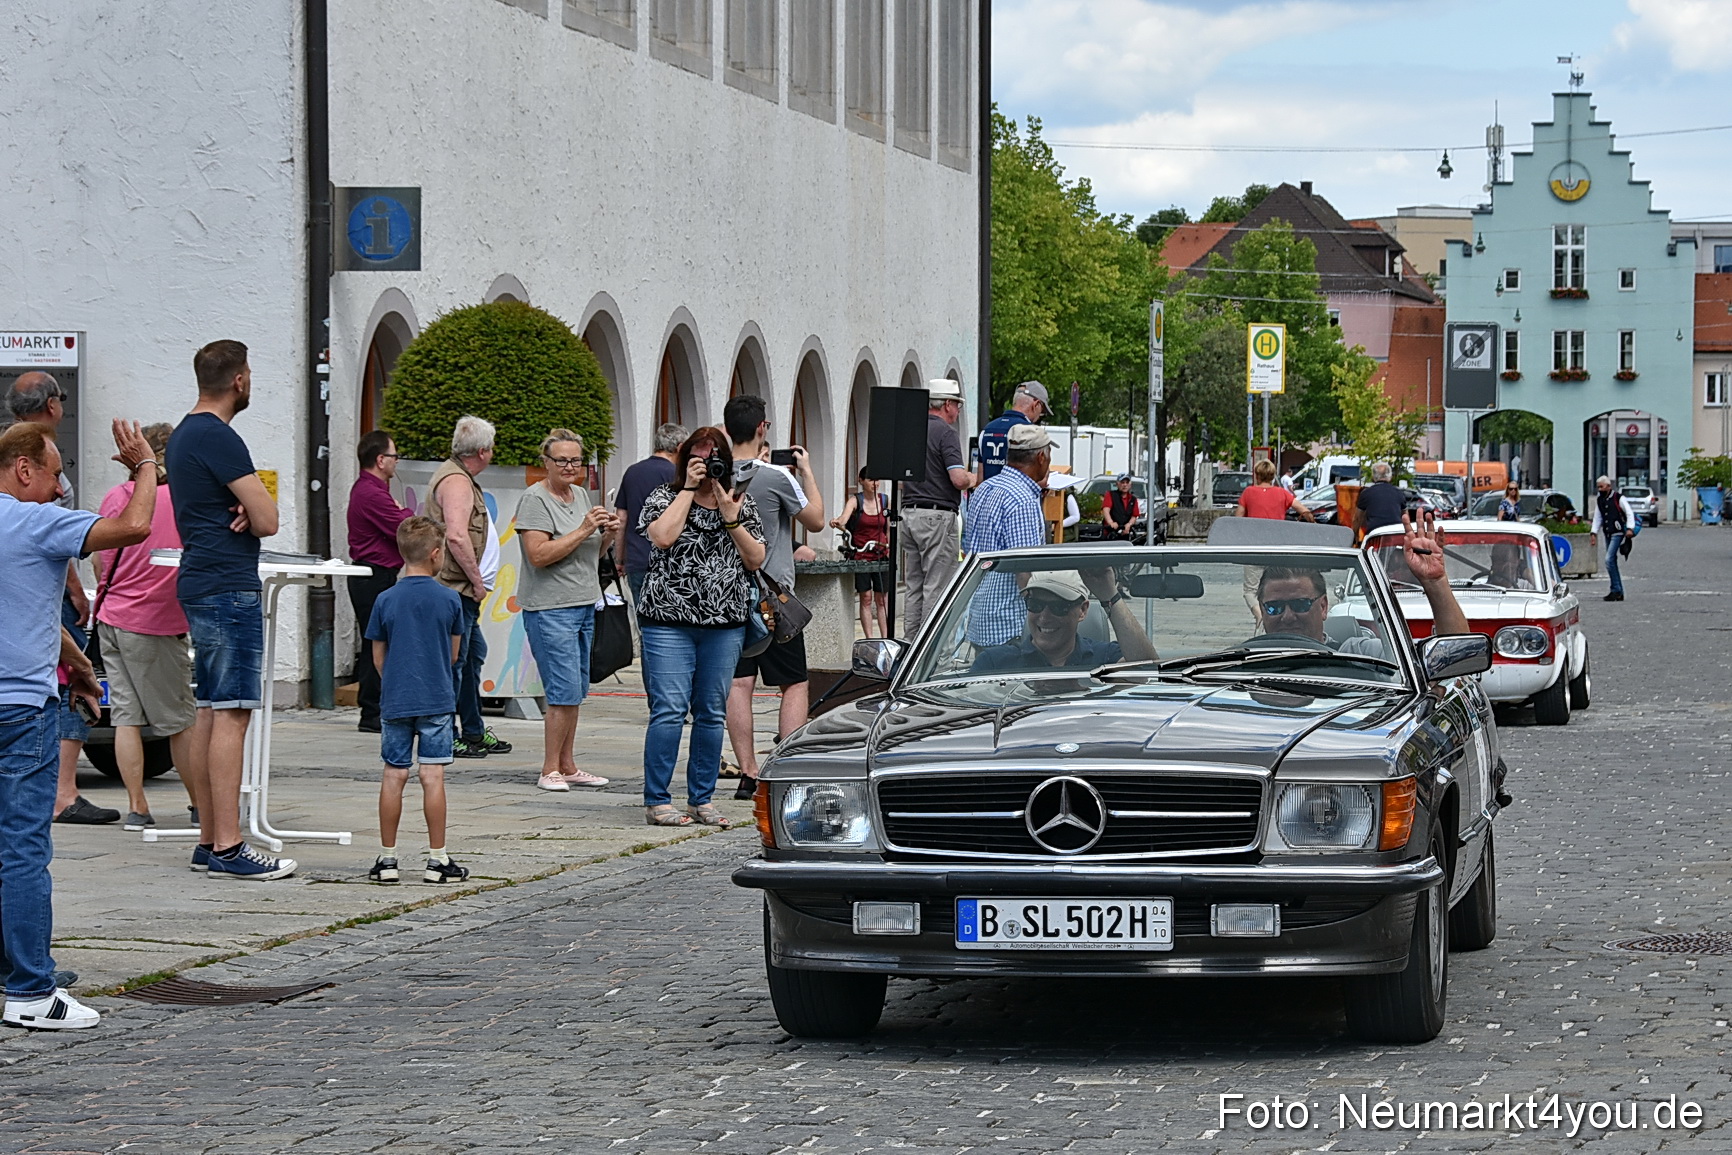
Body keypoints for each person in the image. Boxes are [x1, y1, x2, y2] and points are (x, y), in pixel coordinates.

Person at [1, 418, 157, 1031]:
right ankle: (32, 994)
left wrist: (81, 667)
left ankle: (19, 963)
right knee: (21, 850)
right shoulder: (34, 522)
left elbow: (32, 610)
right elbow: (135, 527)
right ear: (23, 470)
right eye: (56, 471)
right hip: (19, 711)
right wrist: (145, 466)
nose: (62, 487)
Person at [165, 340, 294, 880]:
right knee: (233, 713)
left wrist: (241, 503)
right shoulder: (219, 437)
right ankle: (228, 844)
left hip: (200, 578)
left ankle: (206, 839)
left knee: (211, 710)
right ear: (239, 380)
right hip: (227, 584)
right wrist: (248, 504)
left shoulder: (181, 435)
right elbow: (268, 521)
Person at [636, 427, 766, 828]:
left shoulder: (741, 503)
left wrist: (731, 520)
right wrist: (688, 490)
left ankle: (701, 799)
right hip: (667, 620)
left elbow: (756, 558)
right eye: (698, 456)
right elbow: (661, 536)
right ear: (684, 459)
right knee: (670, 710)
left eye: (714, 457)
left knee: (711, 712)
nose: (707, 463)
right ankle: (657, 800)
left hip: (724, 622)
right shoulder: (663, 496)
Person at [6, 373, 116, 826]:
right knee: (65, 682)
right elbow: (51, 538)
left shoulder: (10, 452)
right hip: (38, 603)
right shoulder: (43, 462)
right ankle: (64, 790)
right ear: (52, 406)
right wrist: (74, 587)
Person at [92, 422, 200, 831]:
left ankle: (138, 808)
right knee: (178, 721)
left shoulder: (117, 497)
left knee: (125, 717)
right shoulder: (179, 501)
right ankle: (199, 805)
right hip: (155, 622)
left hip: (111, 617)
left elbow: (101, 560)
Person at [723, 395, 825, 802]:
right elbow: (815, 520)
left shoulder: (713, 474)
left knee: (738, 684)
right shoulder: (774, 476)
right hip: (772, 595)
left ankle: (746, 770)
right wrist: (807, 471)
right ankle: (784, 763)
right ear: (762, 428)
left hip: (728, 593)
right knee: (794, 683)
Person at [363, 517, 468, 885]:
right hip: (437, 697)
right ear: (437, 554)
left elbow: (378, 655)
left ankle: (388, 858)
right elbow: (454, 654)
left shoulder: (385, 599)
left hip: (396, 698)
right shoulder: (450, 598)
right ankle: (437, 859)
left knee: (394, 774)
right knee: (432, 774)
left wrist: (393, 680)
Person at [516, 429, 617, 793]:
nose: (570, 466)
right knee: (560, 691)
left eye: (576, 460)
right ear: (546, 462)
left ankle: (568, 764)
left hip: (583, 601)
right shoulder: (534, 500)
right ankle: (549, 769)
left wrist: (606, 534)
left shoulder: (580, 495)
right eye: (562, 460)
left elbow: (588, 550)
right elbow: (539, 555)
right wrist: (584, 528)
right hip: (550, 608)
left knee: (575, 688)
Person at [1253, 513, 1469, 655]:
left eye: (1300, 604)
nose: (1287, 616)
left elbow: (1452, 655)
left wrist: (1435, 582)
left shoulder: (1362, 654)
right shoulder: (1237, 664)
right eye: (1274, 608)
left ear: (1323, 607)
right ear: (1262, 611)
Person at [425, 415, 512, 760]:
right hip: (455, 588)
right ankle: (448, 735)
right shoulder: (457, 482)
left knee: (471, 658)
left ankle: (473, 730)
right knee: (454, 662)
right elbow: (457, 536)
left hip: (460, 589)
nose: (493, 454)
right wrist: (477, 581)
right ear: (481, 451)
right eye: (491, 448)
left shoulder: (460, 477)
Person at [962, 424, 1055, 647]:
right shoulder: (1022, 500)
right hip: (1009, 625)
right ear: (1041, 456)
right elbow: (1026, 570)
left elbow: (969, 548)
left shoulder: (985, 488)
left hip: (980, 616)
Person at [345, 431, 412, 733]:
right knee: (377, 643)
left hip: (377, 574)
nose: (397, 461)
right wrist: (404, 512)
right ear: (381, 459)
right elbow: (403, 527)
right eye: (394, 455)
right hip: (372, 575)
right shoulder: (371, 493)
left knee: (379, 640)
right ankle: (371, 712)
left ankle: (375, 709)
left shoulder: (372, 489)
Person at [902, 378, 977, 639]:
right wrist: (973, 478)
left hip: (909, 513)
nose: (957, 411)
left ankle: (910, 645)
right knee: (937, 587)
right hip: (937, 515)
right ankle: (927, 654)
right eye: (956, 404)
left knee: (914, 586)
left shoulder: (910, 430)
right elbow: (957, 478)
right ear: (947, 404)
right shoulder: (946, 433)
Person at [970, 569, 1158, 672]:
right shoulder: (993, 664)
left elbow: (1147, 672)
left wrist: (1110, 596)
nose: (1044, 616)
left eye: (1059, 607)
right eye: (1035, 604)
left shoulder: (1105, 658)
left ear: (1082, 610)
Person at [613, 422, 685, 604]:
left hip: (637, 560)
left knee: (643, 624)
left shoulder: (632, 472)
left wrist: (619, 559)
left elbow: (621, 519)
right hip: (671, 563)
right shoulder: (678, 476)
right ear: (680, 448)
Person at [831, 468, 889, 640]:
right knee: (866, 597)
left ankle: (885, 637)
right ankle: (869, 638)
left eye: (877, 480)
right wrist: (837, 522)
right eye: (871, 480)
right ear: (862, 481)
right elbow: (844, 518)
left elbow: (888, 527)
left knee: (882, 599)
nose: (875, 484)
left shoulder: (885, 501)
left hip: (880, 553)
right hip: (862, 555)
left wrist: (889, 546)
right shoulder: (856, 501)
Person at [977, 381, 1048, 482]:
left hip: (990, 496)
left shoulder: (986, 430)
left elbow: (980, 479)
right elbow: (1041, 481)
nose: (1039, 417)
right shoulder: (1030, 433)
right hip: (1019, 496)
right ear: (1035, 404)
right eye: (1042, 412)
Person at [1592, 475, 1636, 602]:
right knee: (1612, 561)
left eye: (1602, 486)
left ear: (1608, 486)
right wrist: (1593, 532)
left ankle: (1616, 589)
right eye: (1598, 487)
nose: (1599, 489)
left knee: (1609, 559)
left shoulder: (1618, 498)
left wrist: (1630, 528)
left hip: (1617, 532)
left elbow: (1629, 512)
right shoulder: (1600, 499)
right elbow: (1598, 516)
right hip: (1608, 532)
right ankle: (1617, 591)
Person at [1236, 460, 1314, 522]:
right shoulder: (1282, 493)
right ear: (1273, 476)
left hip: (1253, 537)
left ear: (1257, 475)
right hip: (1276, 536)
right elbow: (1305, 511)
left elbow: (1238, 517)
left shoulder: (1248, 492)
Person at [1354, 462, 1407, 536]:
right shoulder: (1399, 493)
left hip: (1374, 534)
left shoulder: (1366, 493)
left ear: (1373, 477)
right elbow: (1405, 517)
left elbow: (1357, 519)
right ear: (1390, 477)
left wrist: (1354, 537)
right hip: (1395, 533)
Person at [1102, 474, 1144, 540]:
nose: (1125, 485)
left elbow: (1134, 515)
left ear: (1130, 485)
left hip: (1125, 533)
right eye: (1122, 482)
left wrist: (1129, 525)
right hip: (1110, 533)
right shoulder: (1110, 495)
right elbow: (1106, 510)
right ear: (1117, 484)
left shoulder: (1133, 499)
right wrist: (1111, 522)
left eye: (1127, 482)